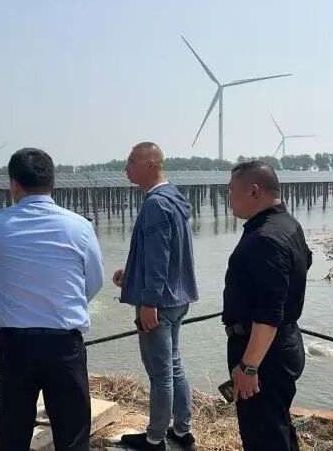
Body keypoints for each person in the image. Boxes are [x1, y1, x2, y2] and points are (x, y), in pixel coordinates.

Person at [0, 148, 104, 451]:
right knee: (73, 437)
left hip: (16, 347)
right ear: (52, 183)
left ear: (13, 184)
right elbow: (94, 280)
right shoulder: (80, 227)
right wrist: (65, 305)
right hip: (64, 345)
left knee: (13, 434)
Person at [113, 142, 199, 451]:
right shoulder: (173, 197)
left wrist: (149, 301)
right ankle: (182, 430)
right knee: (174, 367)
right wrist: (133, 273)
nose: (126, 168)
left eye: (132, 161)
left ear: (150, 164)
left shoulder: (154, 204)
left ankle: (154, 439)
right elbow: (167, 252)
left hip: (158, 304)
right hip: (178, 297)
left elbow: (160, 257)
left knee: (160, 374)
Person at [223, 161, 312, 451]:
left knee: (263, 436)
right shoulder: (288, 224)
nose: (228, 197)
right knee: (277, 427)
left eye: (231, 190)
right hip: (284, 342)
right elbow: (304, 264)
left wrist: (249, 367)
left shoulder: (264, 238)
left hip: (263, 352)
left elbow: (269, 312)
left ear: (254, 191)